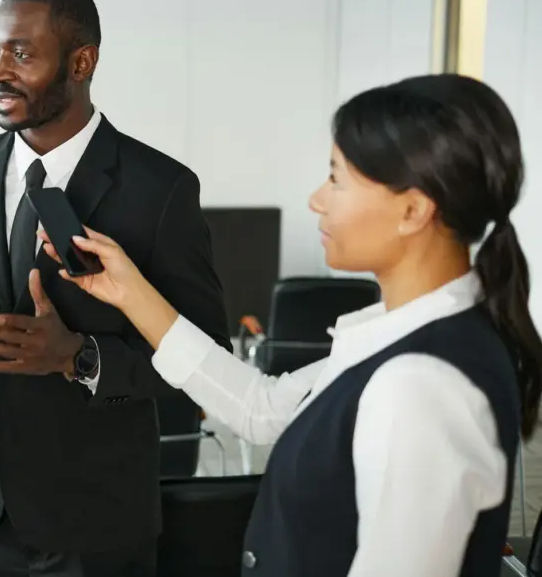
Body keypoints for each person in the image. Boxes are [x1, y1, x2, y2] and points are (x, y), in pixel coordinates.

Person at [37, 73, 542, 576]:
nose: (316, 199)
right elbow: (260, 408)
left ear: (412, 210)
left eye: (337, 178)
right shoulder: (412, 335)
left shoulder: (419, 386)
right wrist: (129, 291)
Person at [0, 0, 230, 576]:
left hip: (95, 510)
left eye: (22, 53)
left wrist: (79, 356)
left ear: (82, 61)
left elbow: (206, 357)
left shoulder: (160, 189)